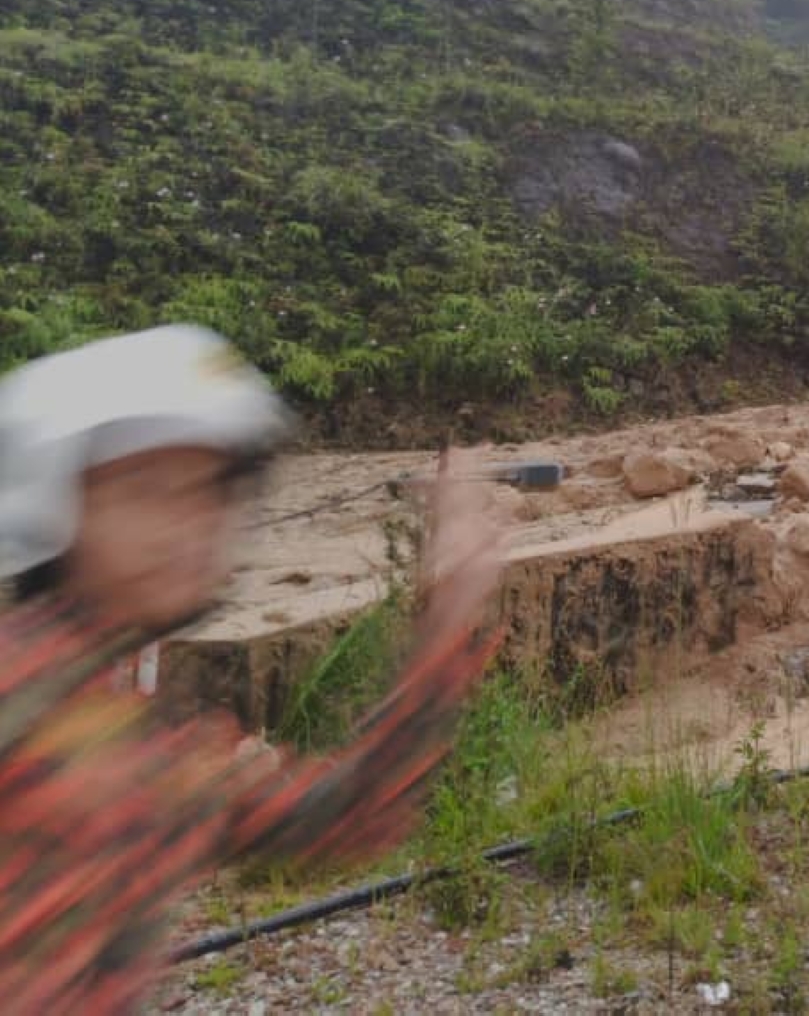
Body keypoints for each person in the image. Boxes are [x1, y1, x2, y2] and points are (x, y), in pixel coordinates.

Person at [0, 325, 504, 1013]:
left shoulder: (138, 744)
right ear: (57, 505)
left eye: (211, 490)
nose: (195, 523)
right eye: (151, 489)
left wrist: (445, 629)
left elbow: (345, 820)